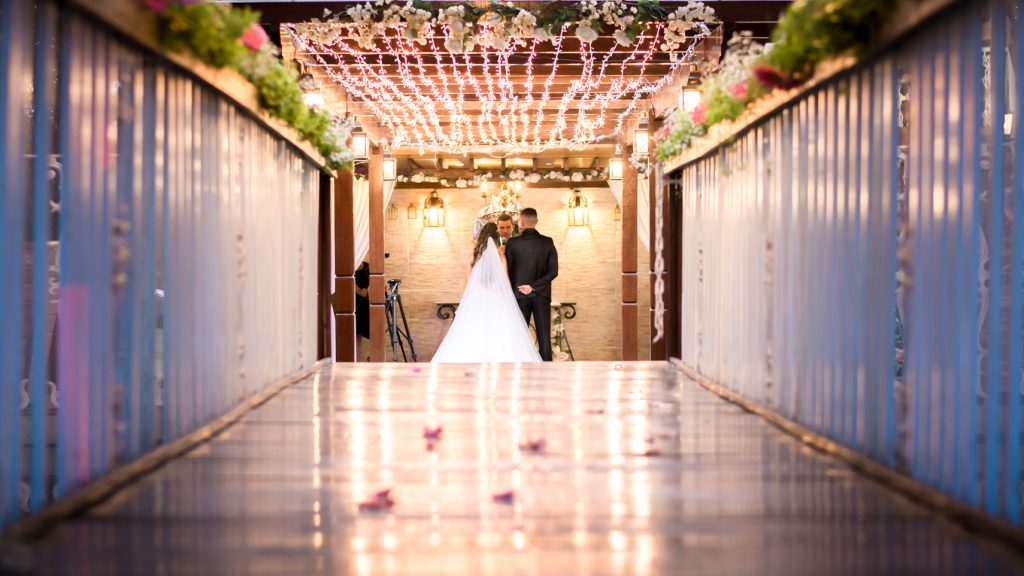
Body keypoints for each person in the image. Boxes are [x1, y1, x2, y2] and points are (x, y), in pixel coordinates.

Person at [432, 222, 542, 363]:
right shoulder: (500, 256)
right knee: (500, 331)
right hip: (497, 299)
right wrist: (510, 299)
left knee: (472, 330)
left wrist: (468, 297)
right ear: (496, 238)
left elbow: (469, 281)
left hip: (477, 298)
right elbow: (505, 281)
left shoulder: (473, 254)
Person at [505, 207, 558, 361]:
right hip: (542, 295)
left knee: (519, 335)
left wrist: (523, 287)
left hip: (519, 295)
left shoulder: (513, 243)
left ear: (521, 221)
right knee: (544, 336)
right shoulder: (547, 242)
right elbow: (553, 271)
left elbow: (507, 271)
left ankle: (518, 366)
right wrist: (534, 286)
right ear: (537, 221)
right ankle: (547, 368)